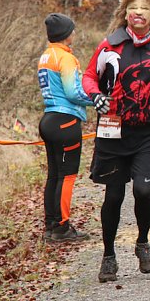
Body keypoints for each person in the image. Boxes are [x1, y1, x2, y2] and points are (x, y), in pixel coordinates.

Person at [83, 0, 150, 283]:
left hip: (149, 130)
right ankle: (108, 256)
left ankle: (142, 242)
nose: (138, 13)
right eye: (132, 9)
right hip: (113, 127)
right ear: (125, 14)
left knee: (142, 190)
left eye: (144, 9)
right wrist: (95, 96)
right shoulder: (109, 45)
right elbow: (89, 76)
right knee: (114, 195)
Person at [38, 13, 93, 243]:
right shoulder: (66, 58)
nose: (75, 33)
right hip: (65, 121)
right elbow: (73, 92)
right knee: (67, 176)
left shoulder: (46, 56)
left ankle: (51, 225)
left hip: (49, 119)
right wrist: (97, 99)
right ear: (65, 34)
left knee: (54, 175)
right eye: (72, 30)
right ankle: (62, 228)